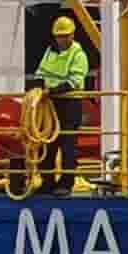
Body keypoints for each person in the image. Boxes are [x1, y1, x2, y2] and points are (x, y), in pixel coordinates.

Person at [30, 14, 92, 192]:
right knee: (47, 144)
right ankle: (47, 182)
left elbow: (74, 82)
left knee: (67, 146)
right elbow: (40, 74)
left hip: (70, 105)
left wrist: (51, 91)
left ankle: (66, 184)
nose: (62, 39)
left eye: (65, 35)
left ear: (72, 35)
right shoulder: (50, 52)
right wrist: (37, 88)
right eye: (59, 36)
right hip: (50, 105)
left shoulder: (78, 55)